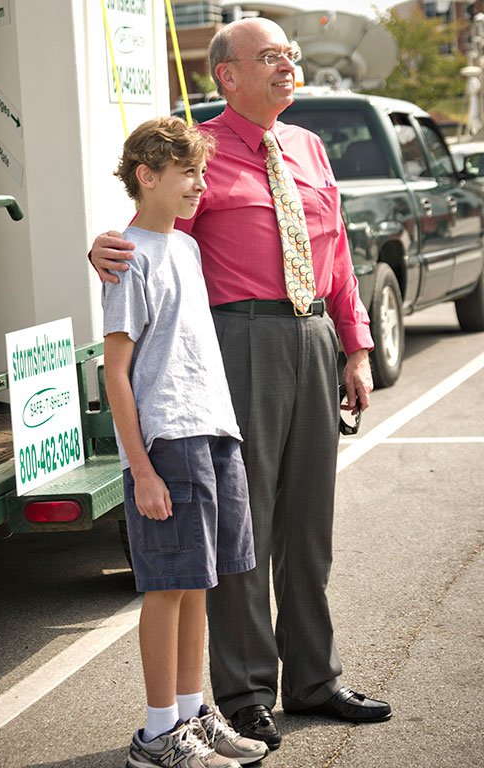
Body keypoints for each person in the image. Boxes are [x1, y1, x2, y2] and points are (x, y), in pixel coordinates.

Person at [93, 18, 391, 752]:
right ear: (227, 74)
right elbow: (154, 227)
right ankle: (247, 692)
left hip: (314, 333)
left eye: (290, 55)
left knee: (307, 525)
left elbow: (338, 253)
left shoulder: (310, 146)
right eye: (271, 57)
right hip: (240, 342)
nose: (289, 66)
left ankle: (315, 679)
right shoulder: (201, 150)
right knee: (244, 533)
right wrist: (105, 245)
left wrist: (355, 347)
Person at [103, 115, 269, 768]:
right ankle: (157, 734)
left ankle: (193, 712)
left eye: (202, 171)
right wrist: (141, 469)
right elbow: (116, 370)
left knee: (200, 582)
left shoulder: (187, 249)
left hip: (212, 429)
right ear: (148, 178)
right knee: (167, 586)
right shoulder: (127, 255)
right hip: (166, 440)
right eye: (187, 173)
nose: (200, 184)